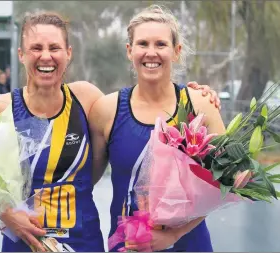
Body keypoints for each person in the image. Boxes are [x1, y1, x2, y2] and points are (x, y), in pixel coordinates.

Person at [0, 10, 220, 253]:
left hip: (84, 242)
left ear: (68, 53)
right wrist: (7, 214)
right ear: (21, 54)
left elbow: (228, 178)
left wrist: (199, 95)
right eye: (36, 48)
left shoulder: (88, 100)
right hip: (27, 240)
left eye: (54, 48)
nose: (46, 56)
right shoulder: (0, 109)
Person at [89, 5, 226, 252]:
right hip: (129, 244)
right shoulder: (106, 110)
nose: (151, 53)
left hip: (190, 244)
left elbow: (227, 181)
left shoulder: (199, 104)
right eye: (142, 44)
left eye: (161, 44)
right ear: (130, 50)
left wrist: (174, 234)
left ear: (176, 51)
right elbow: (82, 179)